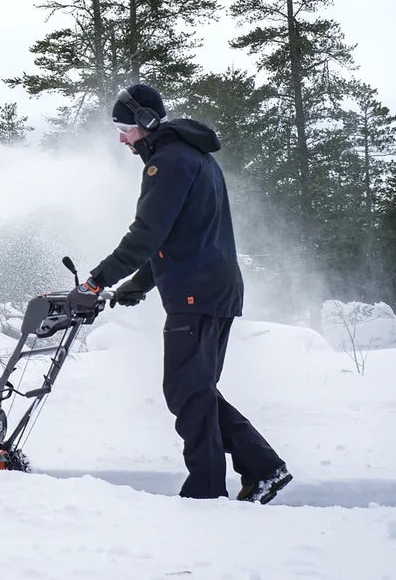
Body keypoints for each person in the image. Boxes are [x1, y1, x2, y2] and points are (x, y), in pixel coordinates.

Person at [67, 83, 291, 503]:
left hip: (198, 293)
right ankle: (260, 469)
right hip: (211, 288)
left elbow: (146, 235)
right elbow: (176, 236)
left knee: (187, 392)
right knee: (195, 389)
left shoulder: (168, 163)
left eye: (125, 127)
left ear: (147, 123)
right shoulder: (192, 157)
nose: (122, 137)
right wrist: (137, 284)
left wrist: (97, 280)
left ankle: (211, 488)